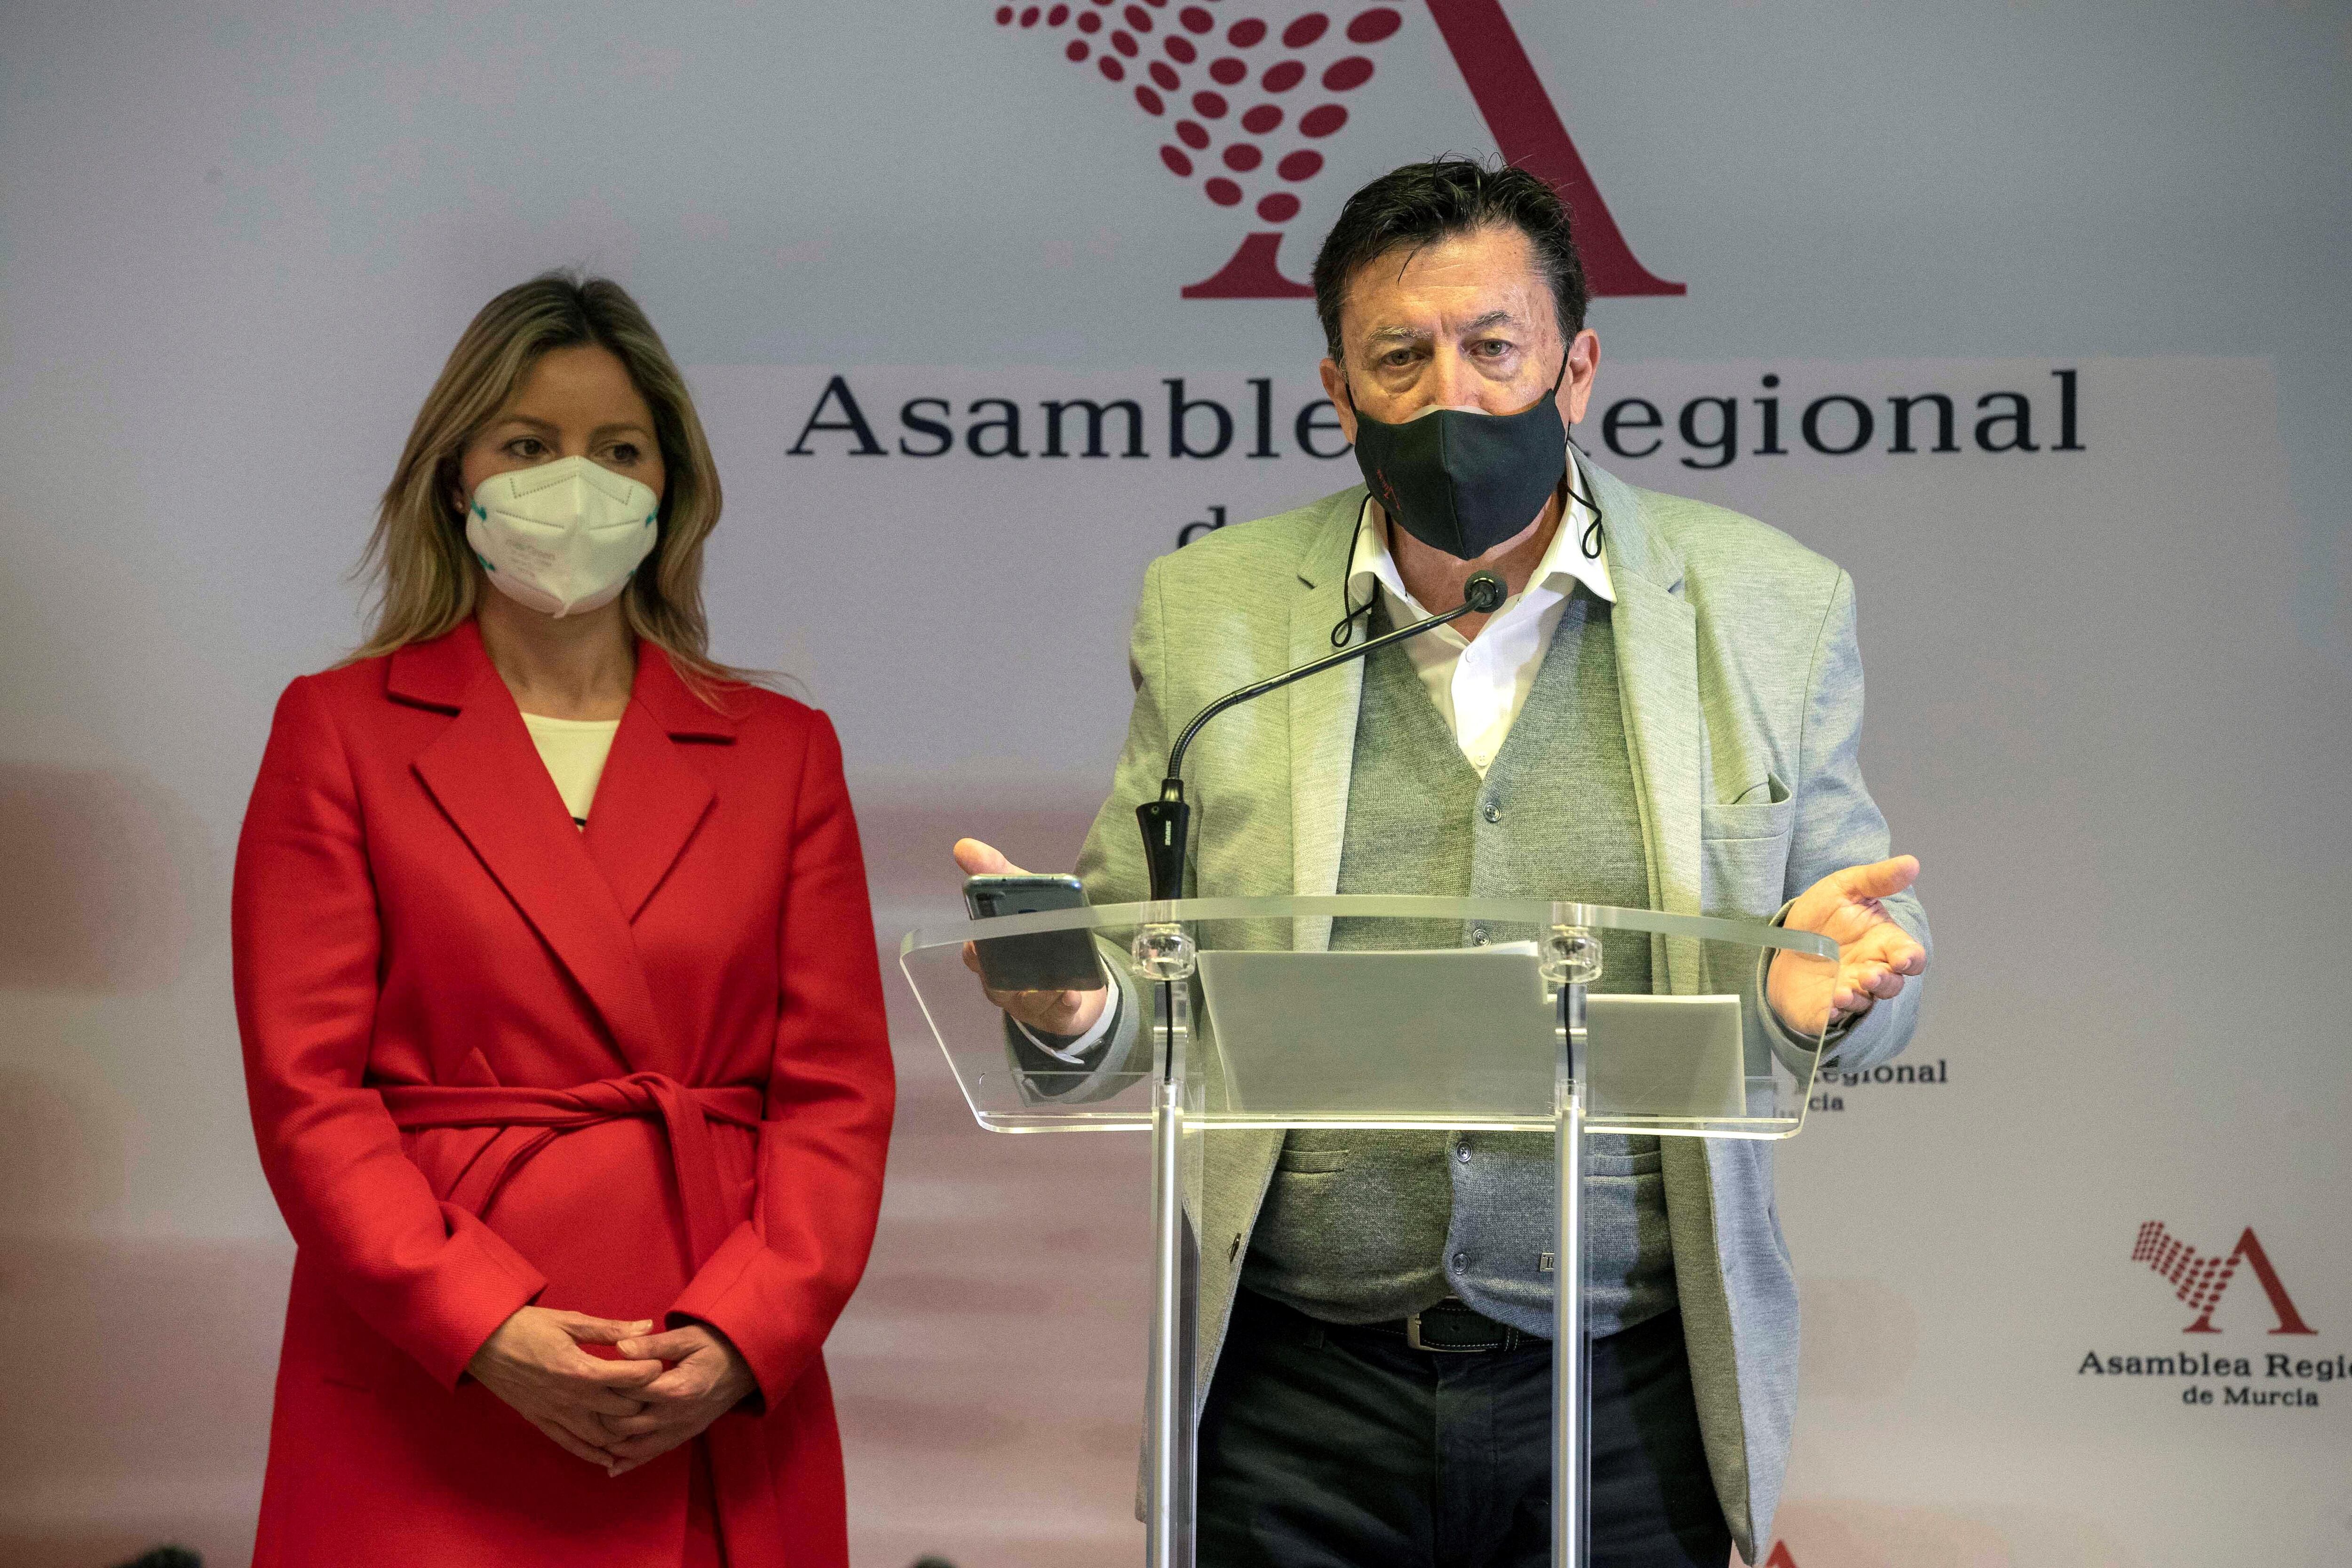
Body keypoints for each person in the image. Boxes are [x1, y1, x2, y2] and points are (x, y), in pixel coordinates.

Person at [954, 160, 1930, 1567]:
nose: (1452, 395)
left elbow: (1857, 941)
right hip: (1297, 1392)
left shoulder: (1769, 603)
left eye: (1495, 348)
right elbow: (1132, 965)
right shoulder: (1212, 614)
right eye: (1400, 359)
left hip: (1627, 1388)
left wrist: (1827, 990)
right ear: (1340, 393)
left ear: (1576, 367)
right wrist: (1072, 1004)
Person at [233, 273, 895, 1568]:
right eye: (530, 446)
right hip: (431, 1378)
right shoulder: (341, 730)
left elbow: (837, 1097)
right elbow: (308, 1098)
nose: (574, 482)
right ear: (456, 475)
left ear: (671, 488)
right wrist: (483, 1328)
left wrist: (742, 1333)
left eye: (619, 449)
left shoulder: (782, 752)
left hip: (701, 1366)